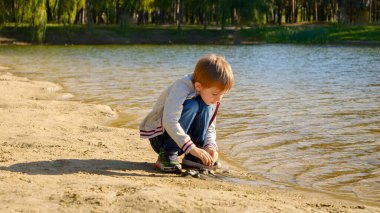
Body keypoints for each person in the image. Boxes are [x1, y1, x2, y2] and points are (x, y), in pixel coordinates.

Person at [139, 54, 234, 173]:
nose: (219, 99)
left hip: (184, 142)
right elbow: (169, 120)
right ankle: (167, 154)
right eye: (215, 94)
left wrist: (209, 146)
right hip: (161, 138)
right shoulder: (181, 87)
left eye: (223, 94)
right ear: (198, 86)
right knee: (192, 105)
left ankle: (194, 157)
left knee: (206, 106)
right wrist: (191, 147)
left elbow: (210, 127)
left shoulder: (210, 97)